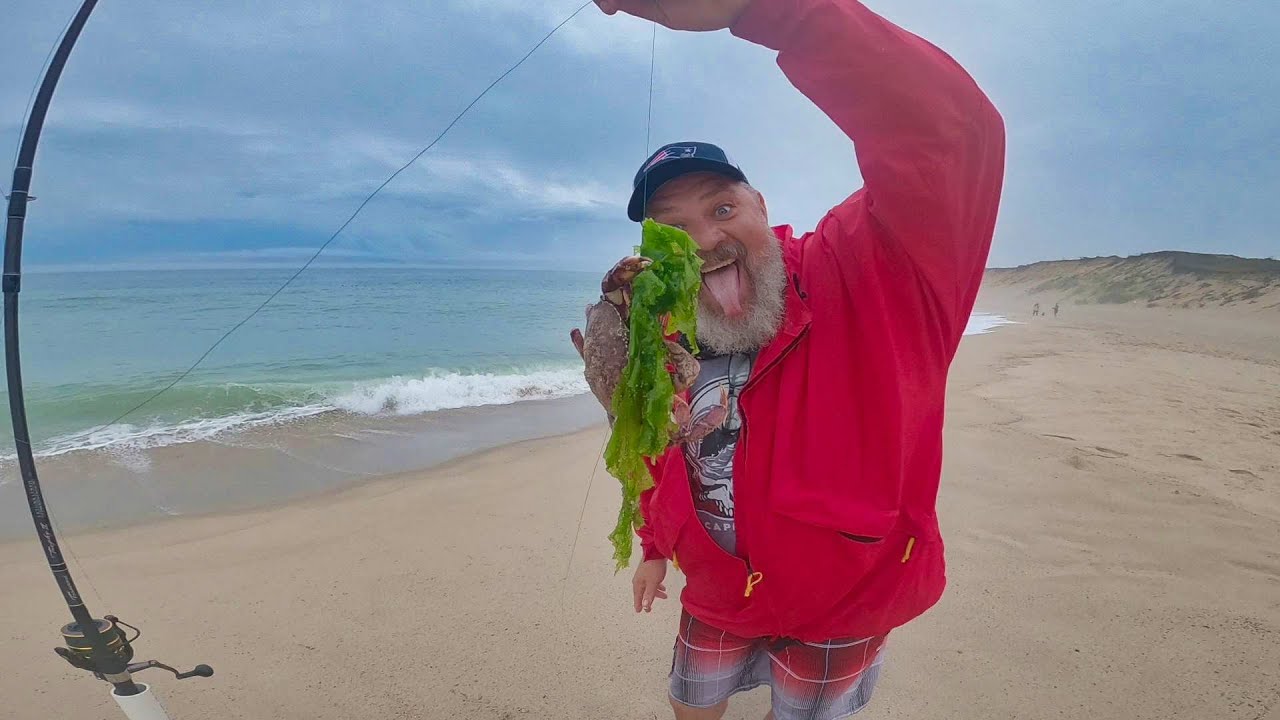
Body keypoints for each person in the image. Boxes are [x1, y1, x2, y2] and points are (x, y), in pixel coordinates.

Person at [574, 1, 1005, 718]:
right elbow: (667, 449)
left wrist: (768, 6)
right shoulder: (661, 330)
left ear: (759, 203)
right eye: (672, 229)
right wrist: (653, 538)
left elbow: (954, 136)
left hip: (844, 601)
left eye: (720, 209)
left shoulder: (871, 269)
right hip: (715, 588)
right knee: (691, 705)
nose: (704, 241)